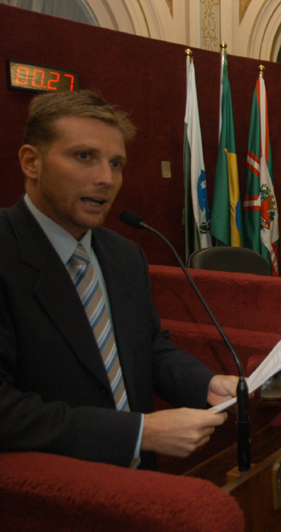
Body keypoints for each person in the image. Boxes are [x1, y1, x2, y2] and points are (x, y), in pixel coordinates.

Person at [0, 90, 239, 470]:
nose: (106, 179)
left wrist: (204, 384)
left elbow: (147, 347)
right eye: (84, 157)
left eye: (116, 163)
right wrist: (137, 433)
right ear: (31, 162)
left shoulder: (125, 254)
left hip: (139, 483)